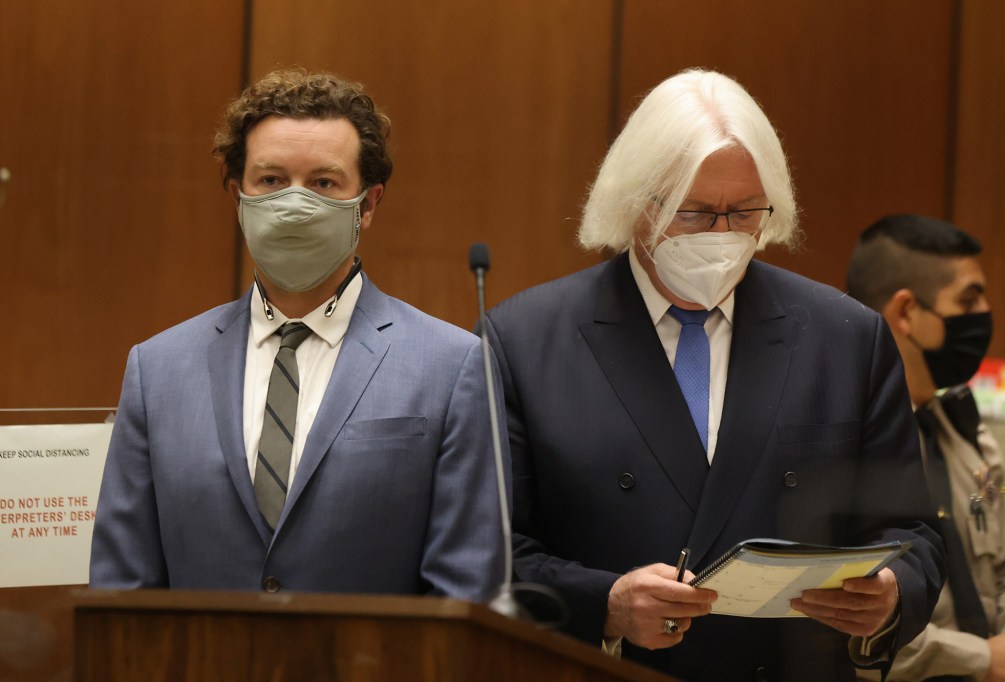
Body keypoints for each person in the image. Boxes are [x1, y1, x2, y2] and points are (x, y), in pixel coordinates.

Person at [483, 69, 945, 680]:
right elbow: (491, 550)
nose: (724, 236)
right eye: (696, 214)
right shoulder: (524, 339)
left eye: (745, 211)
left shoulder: (847, 337)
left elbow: (913, 531)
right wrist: (607, 605)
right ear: (637, 204)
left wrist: (891, 594)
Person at [90, 70, 506, 601]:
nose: (293, 203)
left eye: (323, 183)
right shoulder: (159, 368)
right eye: (271, 180)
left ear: (369, 204)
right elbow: (122, 590)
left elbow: (466, 596)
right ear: (239, 196)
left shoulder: (453, 366)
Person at [848, 215, 1005, 681]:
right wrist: (981, 660)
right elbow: (844, 622)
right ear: (906, 313)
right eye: (969, 300)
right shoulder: (843, 451)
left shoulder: (971, 437)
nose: (986, 312)